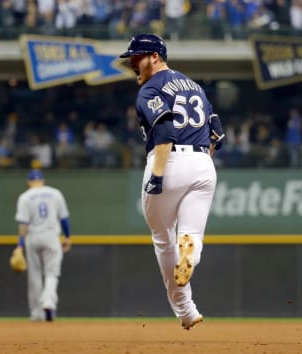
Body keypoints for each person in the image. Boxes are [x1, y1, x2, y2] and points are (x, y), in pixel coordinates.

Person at [119, 33, 225, 330]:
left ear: (155, 56)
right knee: (190, 233)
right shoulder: (195, 86)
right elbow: (217, 133)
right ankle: (191, 248)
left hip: (169, 161)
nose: (132, 64)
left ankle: (186, 311)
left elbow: (164, 133)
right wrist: (200, 159)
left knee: (163, 239)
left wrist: (158, 174)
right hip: (203, 165)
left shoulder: (150, 89)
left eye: (136, 57)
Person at [14, 169, 72, 321]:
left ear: (29, 182)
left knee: (34, 275)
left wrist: (20, 245)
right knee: (52, 273)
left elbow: (23, 224)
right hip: (51, 236)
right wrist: (67, 237)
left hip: (32, 237)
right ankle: (48, 302)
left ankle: (36, 313)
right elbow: (64, 219)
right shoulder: (55, 193)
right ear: (43, 181)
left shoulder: (25, 197)